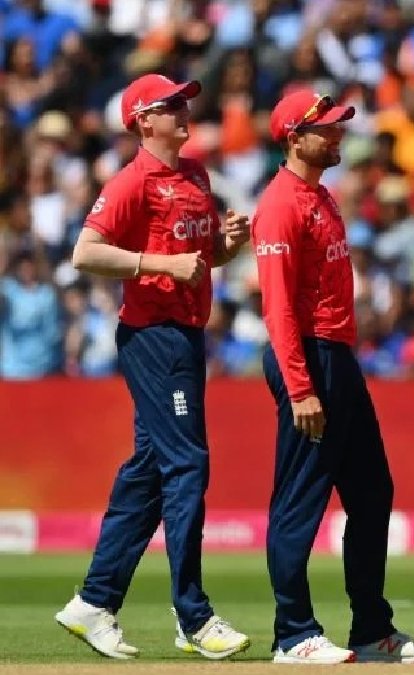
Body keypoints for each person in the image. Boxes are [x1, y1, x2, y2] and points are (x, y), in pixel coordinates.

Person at [55, 73, 250, 661]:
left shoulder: (196, 175)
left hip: (185, 334)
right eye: (172, 105)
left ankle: (94, 602)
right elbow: (85, 253)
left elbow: (199, 259)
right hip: (153, 336)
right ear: (143, 120)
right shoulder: (132, 181)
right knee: (188, 464)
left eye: (185, 101)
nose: (185, 110)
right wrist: (157, 264)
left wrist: (227, 246)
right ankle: (193, 616)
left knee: (149, 471)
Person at [253, 90, 414, 665]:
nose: (337, 135)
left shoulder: (322, 197)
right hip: (309, 357)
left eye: (337, 126)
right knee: (300, 500)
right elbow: (278, 306)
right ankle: (292, 633)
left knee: (373, 493)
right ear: (293, 138)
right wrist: (300, 385)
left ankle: (371, 629)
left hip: (337, 356)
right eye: (325, 128)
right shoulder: (280, 204)